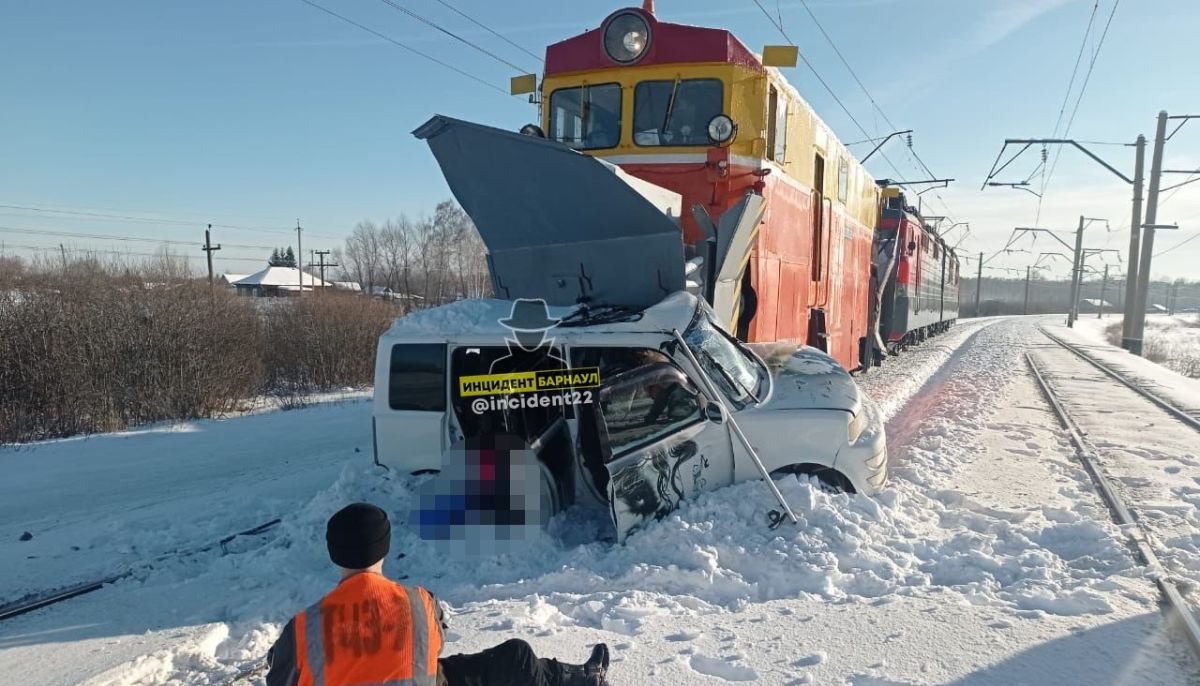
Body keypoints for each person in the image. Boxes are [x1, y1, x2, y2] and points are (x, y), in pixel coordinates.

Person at [266, 503, 610, 686]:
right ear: (384, 547)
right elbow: (434, 647)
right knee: (514, 658)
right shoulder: (418, 603)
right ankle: (584, 680)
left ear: (333, 552)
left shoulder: (300, 629)